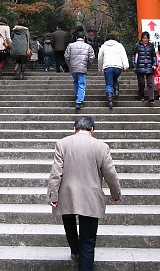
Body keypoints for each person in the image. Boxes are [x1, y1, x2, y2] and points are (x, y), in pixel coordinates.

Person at [47, 116, 121, 270]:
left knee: (68, 222)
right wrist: (116, 193)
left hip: (66, 195)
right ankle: (82, 257)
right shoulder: (101, 146)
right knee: (88, 242)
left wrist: (53, 194)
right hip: (90, 198)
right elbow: (110, 174)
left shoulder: (63, 143)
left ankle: (75, 251)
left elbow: (56, 172)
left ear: (75, 129)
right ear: (92, 130)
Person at [64, 30, 95, 110]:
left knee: (75, 81)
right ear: (84, 38)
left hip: (73, 67)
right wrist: (87, 65)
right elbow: (92, 57)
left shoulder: (70, 45)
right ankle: (79, 101)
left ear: (76, 37)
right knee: (81, 83)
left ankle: (78, 95)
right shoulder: (88, 46)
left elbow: (66, 56)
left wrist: (70, 65)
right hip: (82, 67)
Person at [97, 33, 129, 109]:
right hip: (118, 67)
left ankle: (110, 100)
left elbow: (100, 58)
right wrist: (126, 65)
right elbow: (123, 55)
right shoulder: (119, 45)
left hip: (107, 67)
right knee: (114, 78)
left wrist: (100, 68)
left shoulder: (103, 46)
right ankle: (116, 89)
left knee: (109, 84)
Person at [131, 31, 157, 106]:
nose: (145, 39)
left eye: (146, 38)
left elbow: (154, 56)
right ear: (141, 38)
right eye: (144, 38)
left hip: (149, 66)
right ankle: (141, 95)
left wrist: (155, 64)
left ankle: (151, 98)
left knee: (150, 82)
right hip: (139, 66)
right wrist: (133, 64)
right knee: (141, 83)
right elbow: (133, 55)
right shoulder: (137, 45)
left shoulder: (151, 46)